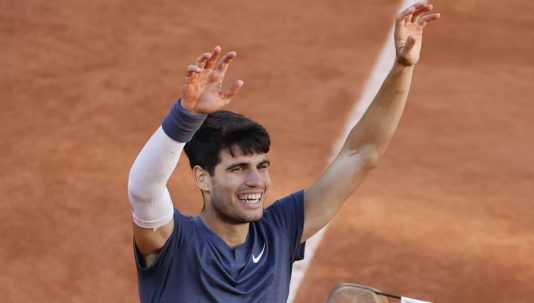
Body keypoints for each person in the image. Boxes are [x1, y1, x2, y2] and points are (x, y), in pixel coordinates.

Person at [127, 3, 440, 303]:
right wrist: (185, 116)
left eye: (261, 166)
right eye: (237, 169)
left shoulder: (278, 230)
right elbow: (144, 189)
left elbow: (361, 154)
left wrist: (402, 68)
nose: (256, 181)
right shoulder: (174, 242)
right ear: (203, 178)